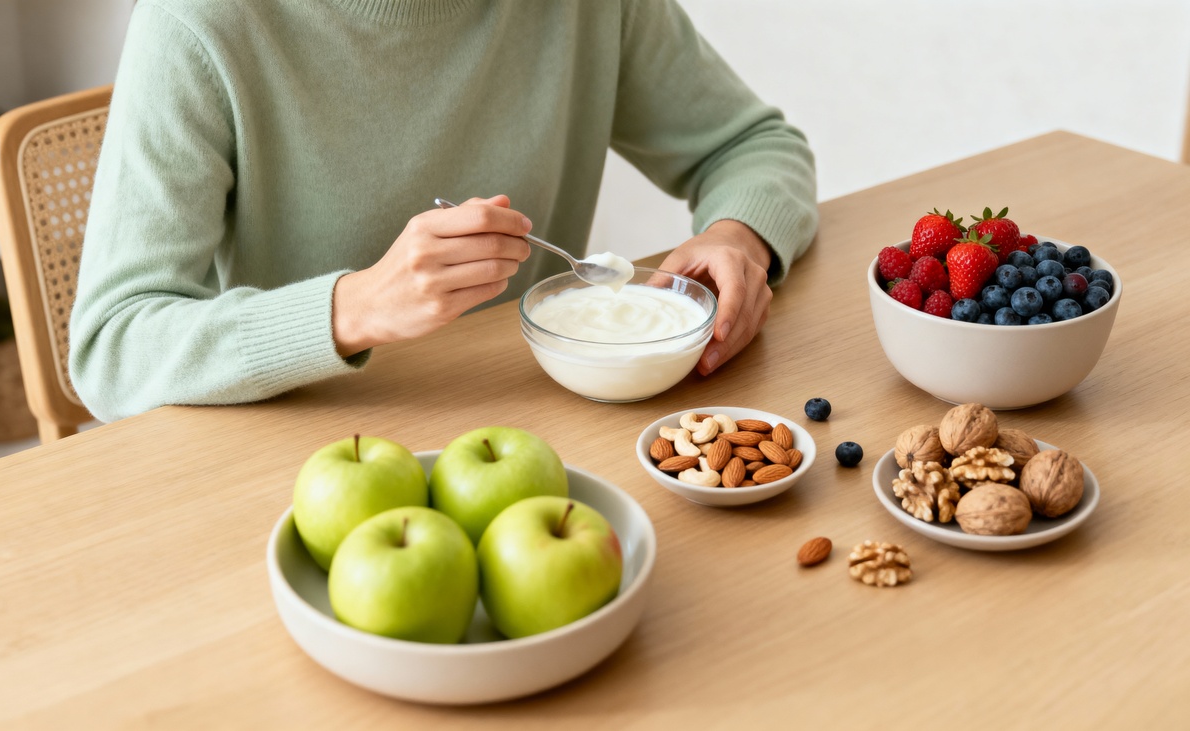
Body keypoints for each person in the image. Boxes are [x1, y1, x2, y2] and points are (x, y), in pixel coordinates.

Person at [69, 0, 818, 422]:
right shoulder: (200, 24)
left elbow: (753, 145)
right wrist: (351, 307)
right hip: (301, 452)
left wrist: (738, 238)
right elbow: (113, 345)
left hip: (542, 433)